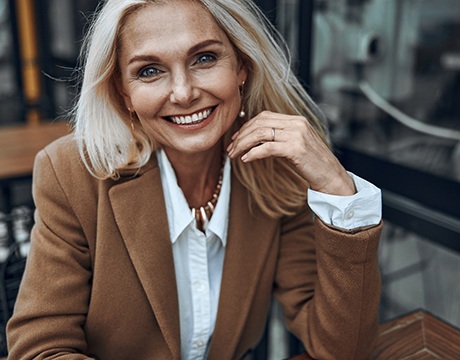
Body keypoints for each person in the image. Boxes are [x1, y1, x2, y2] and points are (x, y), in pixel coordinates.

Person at [6, 0, 383, 359]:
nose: (184, 93)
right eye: (149, 71)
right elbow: (41, 350)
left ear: (242, 66)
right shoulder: (72, 173)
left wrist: (339, 193)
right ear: (124, 92)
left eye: (204, 58)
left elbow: (343, 350)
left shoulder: (276, 169)